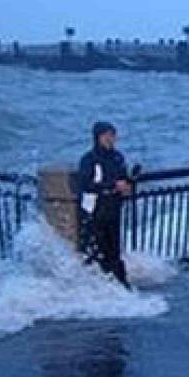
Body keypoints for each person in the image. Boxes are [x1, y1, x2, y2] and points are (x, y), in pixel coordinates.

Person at [79, 121, 132, 288]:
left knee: (113, 247)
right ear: (98, 137)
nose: (111, 139)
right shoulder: (89, 159)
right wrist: (110, 186)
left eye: (113, 135)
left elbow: (123, 178)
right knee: (97, 248)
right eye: (107, 136)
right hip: (95, 209)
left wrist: (127, 187)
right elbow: (85, 184)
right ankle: (99, 283)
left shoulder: (117, 157)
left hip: (114, 207)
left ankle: (119, 282)